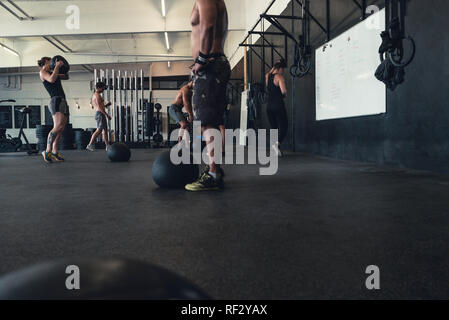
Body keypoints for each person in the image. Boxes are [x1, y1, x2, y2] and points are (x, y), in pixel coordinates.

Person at [185, 0, 231, 192]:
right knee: (210, 121)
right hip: (210, 65)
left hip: (209, 65)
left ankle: (213, 175)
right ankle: (215, 170)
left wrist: (201, 60)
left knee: (206, 123)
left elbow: (208, 25)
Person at [38, 56, 70, 163]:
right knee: (57, 126)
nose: (51, 63)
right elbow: (51, 80)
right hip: (55, 100)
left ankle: (55, 152)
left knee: (61, 128)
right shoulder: (42, 72)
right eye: (50, 62)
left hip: (62, 100)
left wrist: (61, 67)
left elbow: (66, 76)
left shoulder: (53, 71)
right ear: (45, 63)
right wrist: (56, 67)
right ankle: (47, 151)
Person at [266, 60, 288, 157]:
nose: (283, 72)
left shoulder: (267, 76)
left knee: (274, 128)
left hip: (269, 106)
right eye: (282, 69)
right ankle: (277, 144)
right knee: (284, 126)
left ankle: (275, 147)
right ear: (279, 69)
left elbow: (270, 72)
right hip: (278, 105)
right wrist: (283, 95)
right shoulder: (279, 77)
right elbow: (284, 91)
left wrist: (275, 64)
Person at [86, 82, 112, 152]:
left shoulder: (97, 95)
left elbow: (101, 106)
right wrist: (107, 115)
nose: (104, 89)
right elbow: (100, 108)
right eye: (103, 88)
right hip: (100, 114)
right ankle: (90, 145)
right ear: (99, 88)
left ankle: (107, 145)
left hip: (101, 113)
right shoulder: (97, 96)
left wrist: (106, 105)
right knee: (99, 130)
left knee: (105, 130)